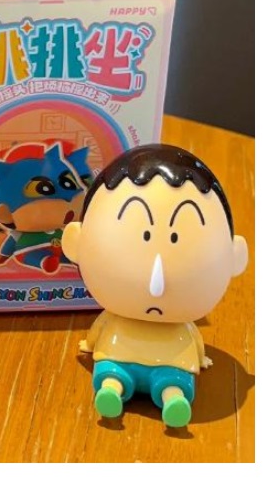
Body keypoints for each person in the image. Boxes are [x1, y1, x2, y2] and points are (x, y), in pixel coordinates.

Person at [62, 144, 248, 427]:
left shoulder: (127, 319)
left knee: (125, 375)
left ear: (234, 258)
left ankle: (159, 397)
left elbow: (98, 331)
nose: (156, 285)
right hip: (169, 356)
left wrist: (89, 344)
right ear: (76, 242)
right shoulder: (178, 329)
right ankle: (157, 395)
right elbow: (196, 342)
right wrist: (199, 357)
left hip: (120, 351)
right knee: (129, 377)